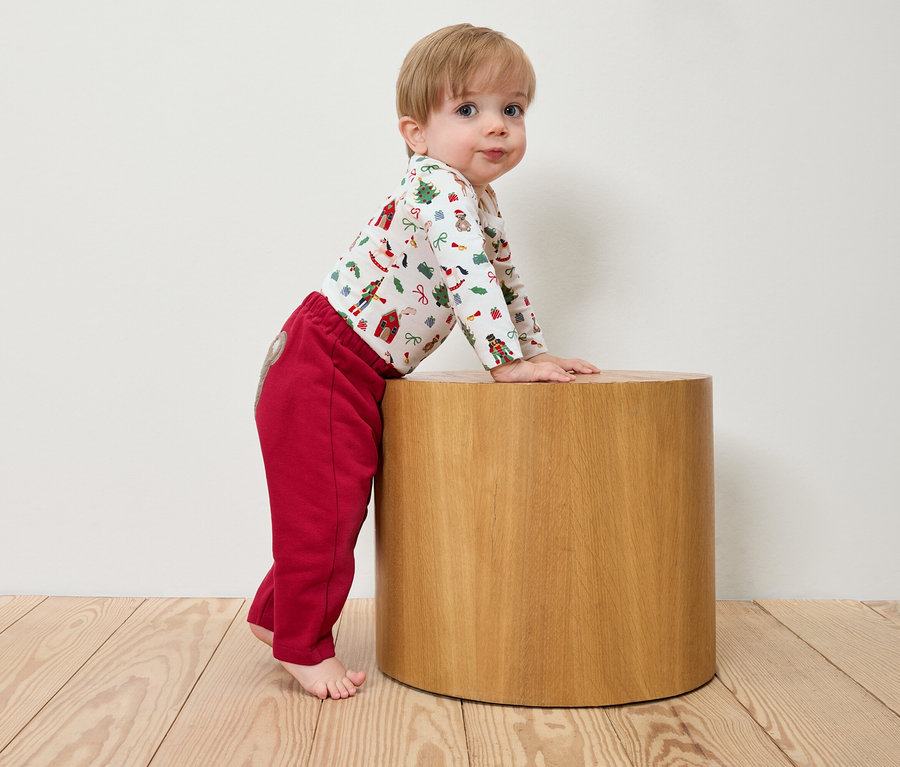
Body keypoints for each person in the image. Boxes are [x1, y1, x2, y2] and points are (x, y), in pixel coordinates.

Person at [248, 23, 600, 701]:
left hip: (350, 366)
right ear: (416, 133)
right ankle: (302, 644)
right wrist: (505, 363)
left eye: (513, 109)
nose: (496, 126)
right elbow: (469, 278)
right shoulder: (437, 190)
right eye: (468, 110)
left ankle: (274, 617)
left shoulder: (475, 198)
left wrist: (532, 352)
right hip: (325, 361)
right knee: (324, 511)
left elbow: (504, 282)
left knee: (331, 505)